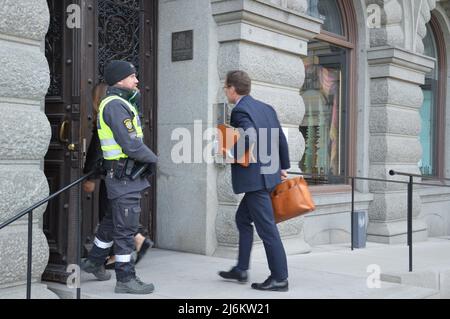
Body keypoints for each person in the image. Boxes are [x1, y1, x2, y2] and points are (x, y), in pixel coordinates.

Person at [81, 60, 158, 295]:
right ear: (120, 79)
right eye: (133, 76)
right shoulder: (115, 105)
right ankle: (125, 278)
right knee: (126, 229)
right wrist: (153, 159)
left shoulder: (120, 103)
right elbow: (131, 144)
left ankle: (94, 261)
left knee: (112, 222)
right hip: (123, 176)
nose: (137, 80)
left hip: (123, 176)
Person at [218, 70, 290, 292]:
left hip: (256, 180)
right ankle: (241, 269)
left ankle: (280, 278)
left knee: (267, 229)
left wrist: (232, 154)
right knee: (242, 219)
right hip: (269, 175)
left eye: (225, 87)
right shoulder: (266, 108)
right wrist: (283, 167)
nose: (225, 91)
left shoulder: (239, 110)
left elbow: (249, 136)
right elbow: (280, 139)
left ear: (232, 88)